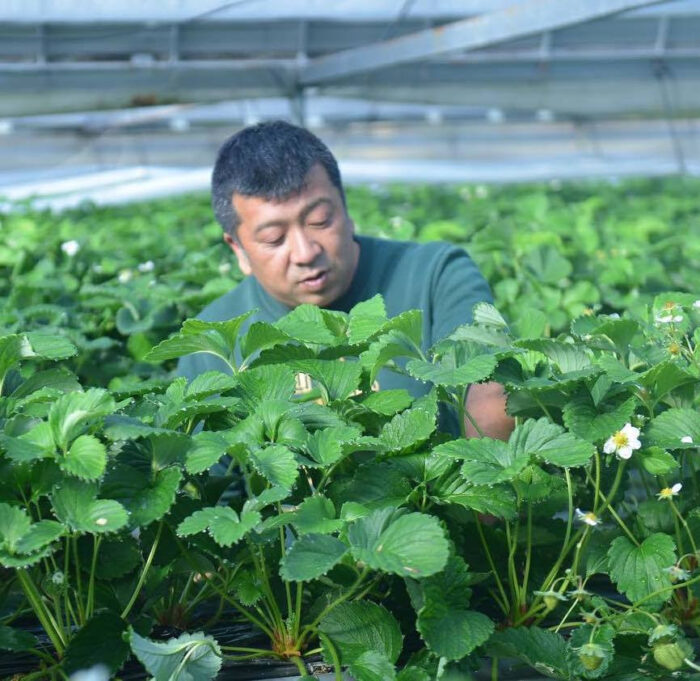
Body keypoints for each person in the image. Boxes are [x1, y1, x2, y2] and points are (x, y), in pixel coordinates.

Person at [178, 120, 513, 439]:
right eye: (274, 239)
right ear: (237, 249)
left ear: (346, 210)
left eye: (320, 220)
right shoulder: (211, 342)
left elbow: (488, 395)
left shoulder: (434, 274)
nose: (305, 252)